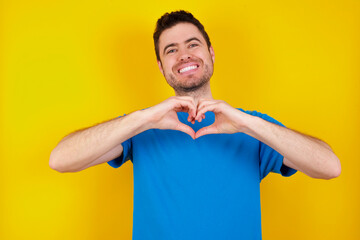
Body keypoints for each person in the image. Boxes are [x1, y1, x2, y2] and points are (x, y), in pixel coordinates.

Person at [49, 10, 341, 240]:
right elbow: (60, 159)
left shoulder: (251, 126)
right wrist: (142, 118)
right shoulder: (141, 128)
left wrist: (248, 124)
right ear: (161, 67)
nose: (184, 54)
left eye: (193, 44)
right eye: (171, 50)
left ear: (211, 54)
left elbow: (330, 167)